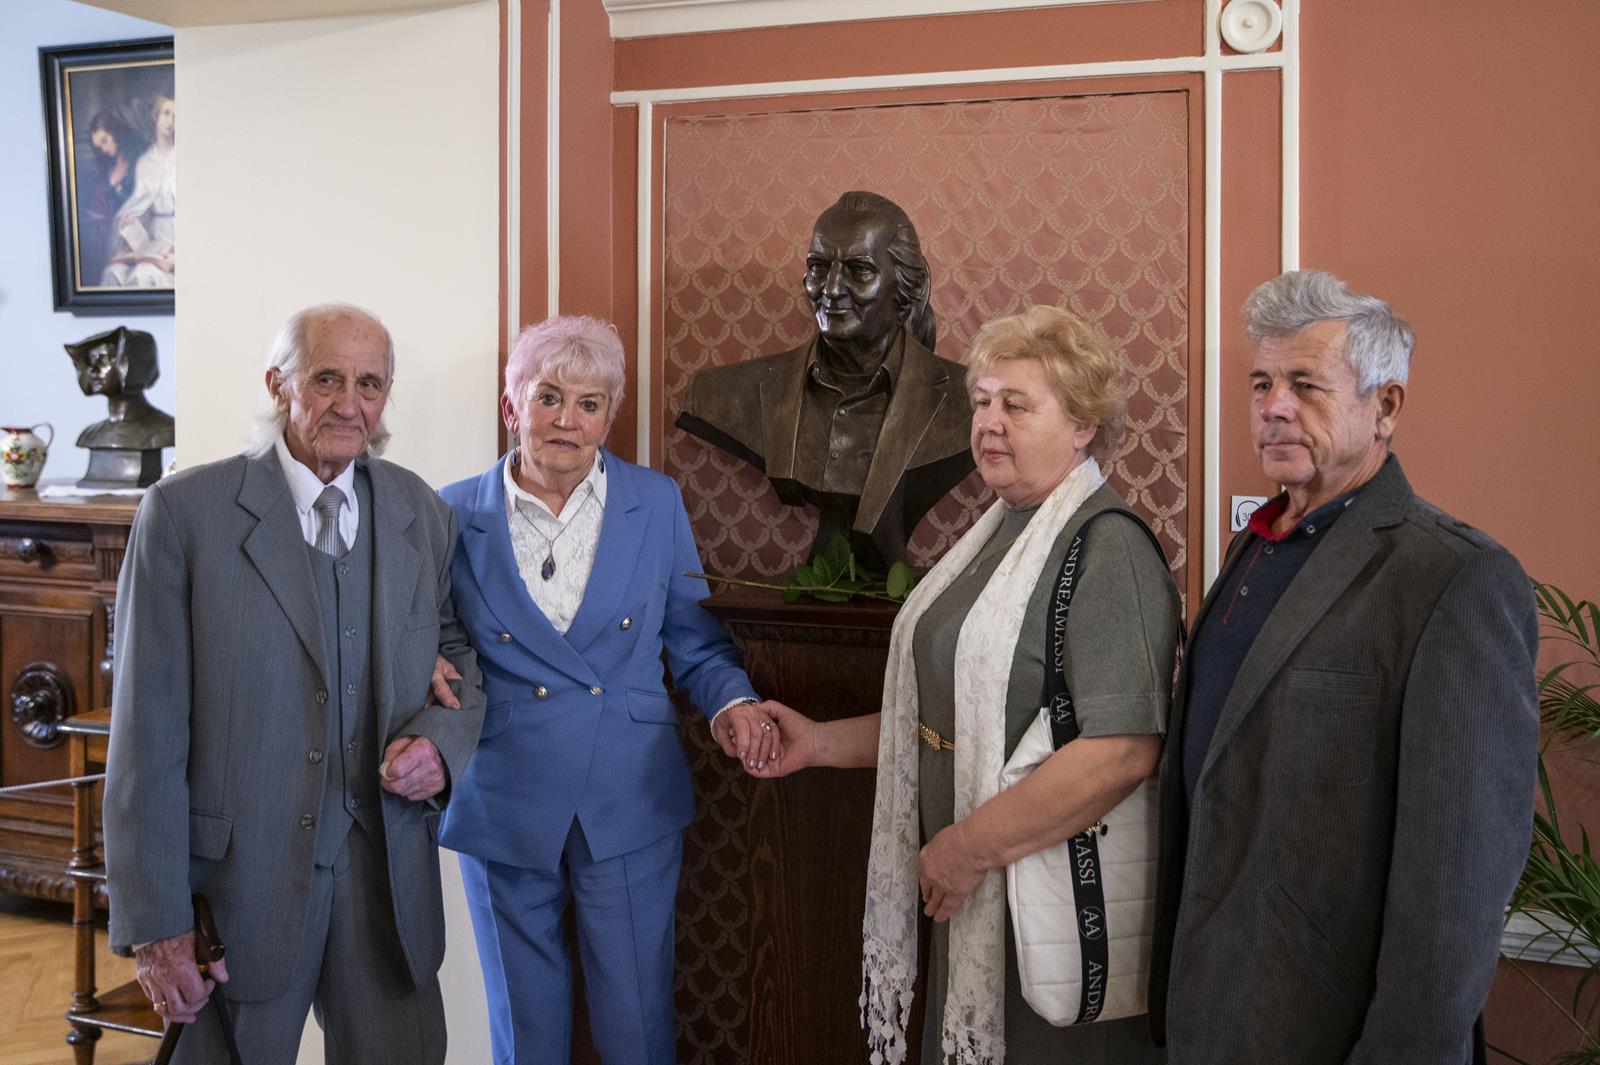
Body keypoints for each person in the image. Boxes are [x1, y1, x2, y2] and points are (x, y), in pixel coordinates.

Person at [754, 305, 1180, 1064]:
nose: (989, 423)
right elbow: (945, 720)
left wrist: (967, 847)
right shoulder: (999, 530)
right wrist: (817, 743)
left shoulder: (1107, 547)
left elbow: (1121, 752)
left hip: (1050, 911)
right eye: (982, 402)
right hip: (974, 893)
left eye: (1017, 405)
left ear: (1082, 425)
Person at [1147, 270, 1539, 1064]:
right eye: (1262, 383)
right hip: (1209, 1014)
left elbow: (1456, 893)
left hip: (1331, 1032)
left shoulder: (1454, 578)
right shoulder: (1253, 549)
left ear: (1385, 406)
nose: (1273, 406)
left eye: (1305, 384)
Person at [103, 304, 486, 1065]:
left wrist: (441, 745)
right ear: (278, 384)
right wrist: (156, 924)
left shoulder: (420, 510)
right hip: (238, 888)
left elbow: (458, 655)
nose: (350, 404)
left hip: (387, 881)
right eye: (327, 379)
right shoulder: (183, 514)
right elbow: (145, 732)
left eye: (370, 383)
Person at [436, 315, 780, 1065]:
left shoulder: (654, 502)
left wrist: (733, 701)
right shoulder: (452, 512)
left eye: (589, 403)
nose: (568, 419)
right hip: (504, 790)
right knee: (524, 1026)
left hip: (628, 790)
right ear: (511, 406)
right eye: (549, 397)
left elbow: (693, 638)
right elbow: (433, 638)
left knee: (634, 1021)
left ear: (609, 416)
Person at [675, 190, 974, 568]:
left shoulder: (969, 403)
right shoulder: (720, 394)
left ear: (906, 287)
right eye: (818, 266)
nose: (831, 289)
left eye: (859, 270)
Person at [103, 94, 175, 287]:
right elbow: (141, 204)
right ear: (156, 117)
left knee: (143, 275)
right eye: (166, 113)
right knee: (113, 273)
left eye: (175, 116)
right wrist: (131, 223)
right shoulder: (144, 162)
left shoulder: (182, 158)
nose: (171, 121)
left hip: (176, 239)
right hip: (152, 238)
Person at [79, 111, 135, 283]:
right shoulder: (107, 164)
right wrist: (111, 184)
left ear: (114, 131)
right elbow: (99, 203)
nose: (103, 149)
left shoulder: (135, 157)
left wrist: (114, 188)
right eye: (99, 146)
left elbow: (135, 200)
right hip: (110, 228)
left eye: (104, 141)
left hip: (134, 228)